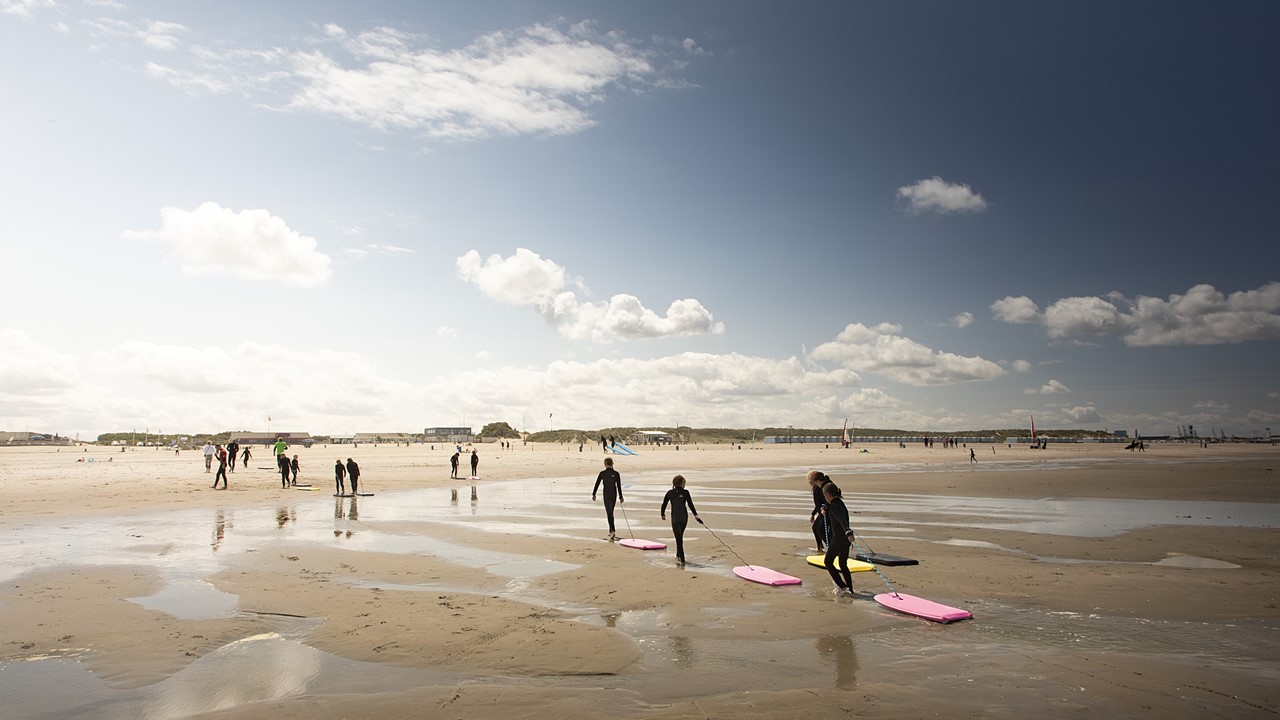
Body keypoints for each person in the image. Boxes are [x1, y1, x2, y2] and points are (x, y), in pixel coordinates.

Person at [821, 483, 857, 596]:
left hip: (839, 539)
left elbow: (842, 520)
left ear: (827, 494)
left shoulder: (834, 506)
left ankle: (842, 586)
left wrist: (848, 532)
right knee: (842, 564)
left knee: (828, 561)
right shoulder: (839, 503)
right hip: (845, 540)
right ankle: (850, 589)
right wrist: (824, 508)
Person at [660, 475, 700, 564]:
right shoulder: (686, 492)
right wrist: (696, 515)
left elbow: (664, 504)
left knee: (678, 539)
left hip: (675, 518)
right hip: (684, 518)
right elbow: (690, 504)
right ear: (682, 483)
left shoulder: (670, 493)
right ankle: (678, 555)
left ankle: (682, 560)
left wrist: (662, 514)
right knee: (680, 536)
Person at [591, 457, 624, 540]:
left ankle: (612, 531)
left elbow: (597, 484)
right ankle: (611, 530)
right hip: (614, 494)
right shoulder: (616, 473)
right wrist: (620, 496)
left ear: (605, 464)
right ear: (612, 463)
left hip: (606, 494)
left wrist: (594, 494)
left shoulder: (602, 473)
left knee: (609, 512)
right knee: (610, 512)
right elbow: (619, 486)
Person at [807, 470, 832, 553]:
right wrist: (813, 513)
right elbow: (818, 504)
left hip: (826, 512)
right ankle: (820, 547)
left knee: (820, 530)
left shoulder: (821, 488)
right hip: (821, 512)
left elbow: (825, 501)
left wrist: (823, 508)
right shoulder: (817, 487)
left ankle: (832, 548)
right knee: (816, 528)